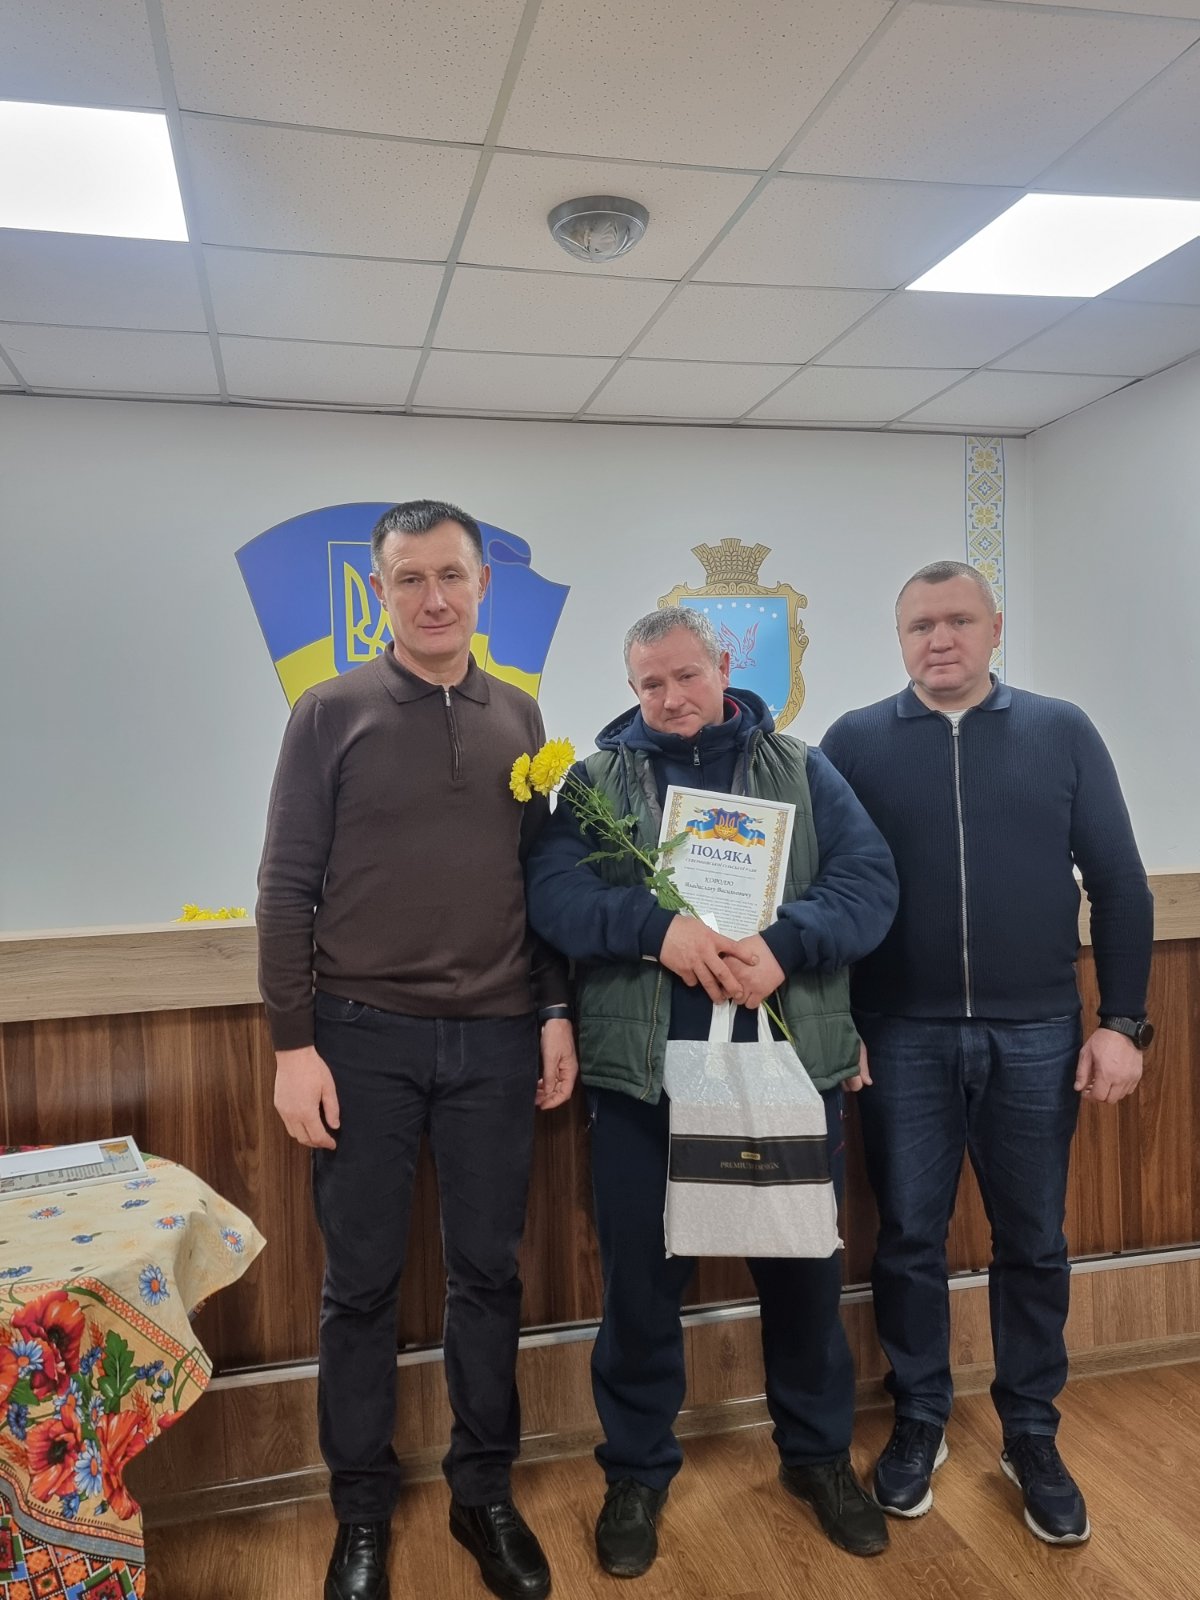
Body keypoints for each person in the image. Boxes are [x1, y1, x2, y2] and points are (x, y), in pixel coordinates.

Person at [525, 607, 899, 1573]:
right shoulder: (596, 784)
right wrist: (658, 931)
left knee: (803, 1278)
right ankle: (636, 1471)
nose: (671, 697)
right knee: (639, 1291)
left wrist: (786, 947)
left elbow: (869, 884)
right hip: (643, 1079)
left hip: (782, 1066)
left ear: (723, 666)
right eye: (650, 683)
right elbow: (554, 898)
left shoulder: (804, 770)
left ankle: (816, 1459)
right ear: (632, 687)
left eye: (686, 675)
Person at [255, 499, 578, 1600]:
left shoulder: (521, 716)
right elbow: (285, 887)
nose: (433, 597)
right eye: (409, 578)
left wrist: (552, 1010)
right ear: (379, 591)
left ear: (484, 586)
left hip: (496, 1039)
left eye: (451, 575)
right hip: (360, 1041)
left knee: (490, 1274)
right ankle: (360, 1512)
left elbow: (539, 882)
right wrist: (293, 1046)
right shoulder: (328, 712)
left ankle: (483, 1493)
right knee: (360, 1286)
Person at [821, 559, 1154, 1547]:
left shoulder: (1061, 730)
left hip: (1038, 1032)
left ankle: (1032, 1433)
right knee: (908, 1239)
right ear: (900, 638)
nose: (941, 639)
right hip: (901, 1034)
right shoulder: (854, 742)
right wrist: (840, 1022)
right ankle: (920, 1417)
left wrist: (1123, 1021)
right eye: (920, 625)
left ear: (995, 628)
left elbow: (1121, 885)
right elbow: (824, 893)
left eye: (959, 620)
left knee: (1034, 1241)